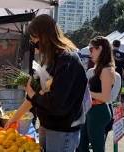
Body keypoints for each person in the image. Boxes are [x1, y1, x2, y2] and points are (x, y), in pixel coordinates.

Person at [5, 14, 87, 152]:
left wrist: (33, 94)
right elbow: (31, 98)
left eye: (34, 40)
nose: (34, 45)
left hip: (62, 130)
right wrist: (13, 120)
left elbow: (56, 103)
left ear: (44, 37)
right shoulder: (49, 61)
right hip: (47, 126)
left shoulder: (67, 61)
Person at [78, 36, 115, 152]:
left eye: (91, 49)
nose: (90, 53)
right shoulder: (100, 68)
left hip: (98, 111)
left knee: (97, 147)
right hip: (92, 110)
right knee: (81, 144)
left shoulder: (105, 69)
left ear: (100, 49)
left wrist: (86, 91)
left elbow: (105, 97)